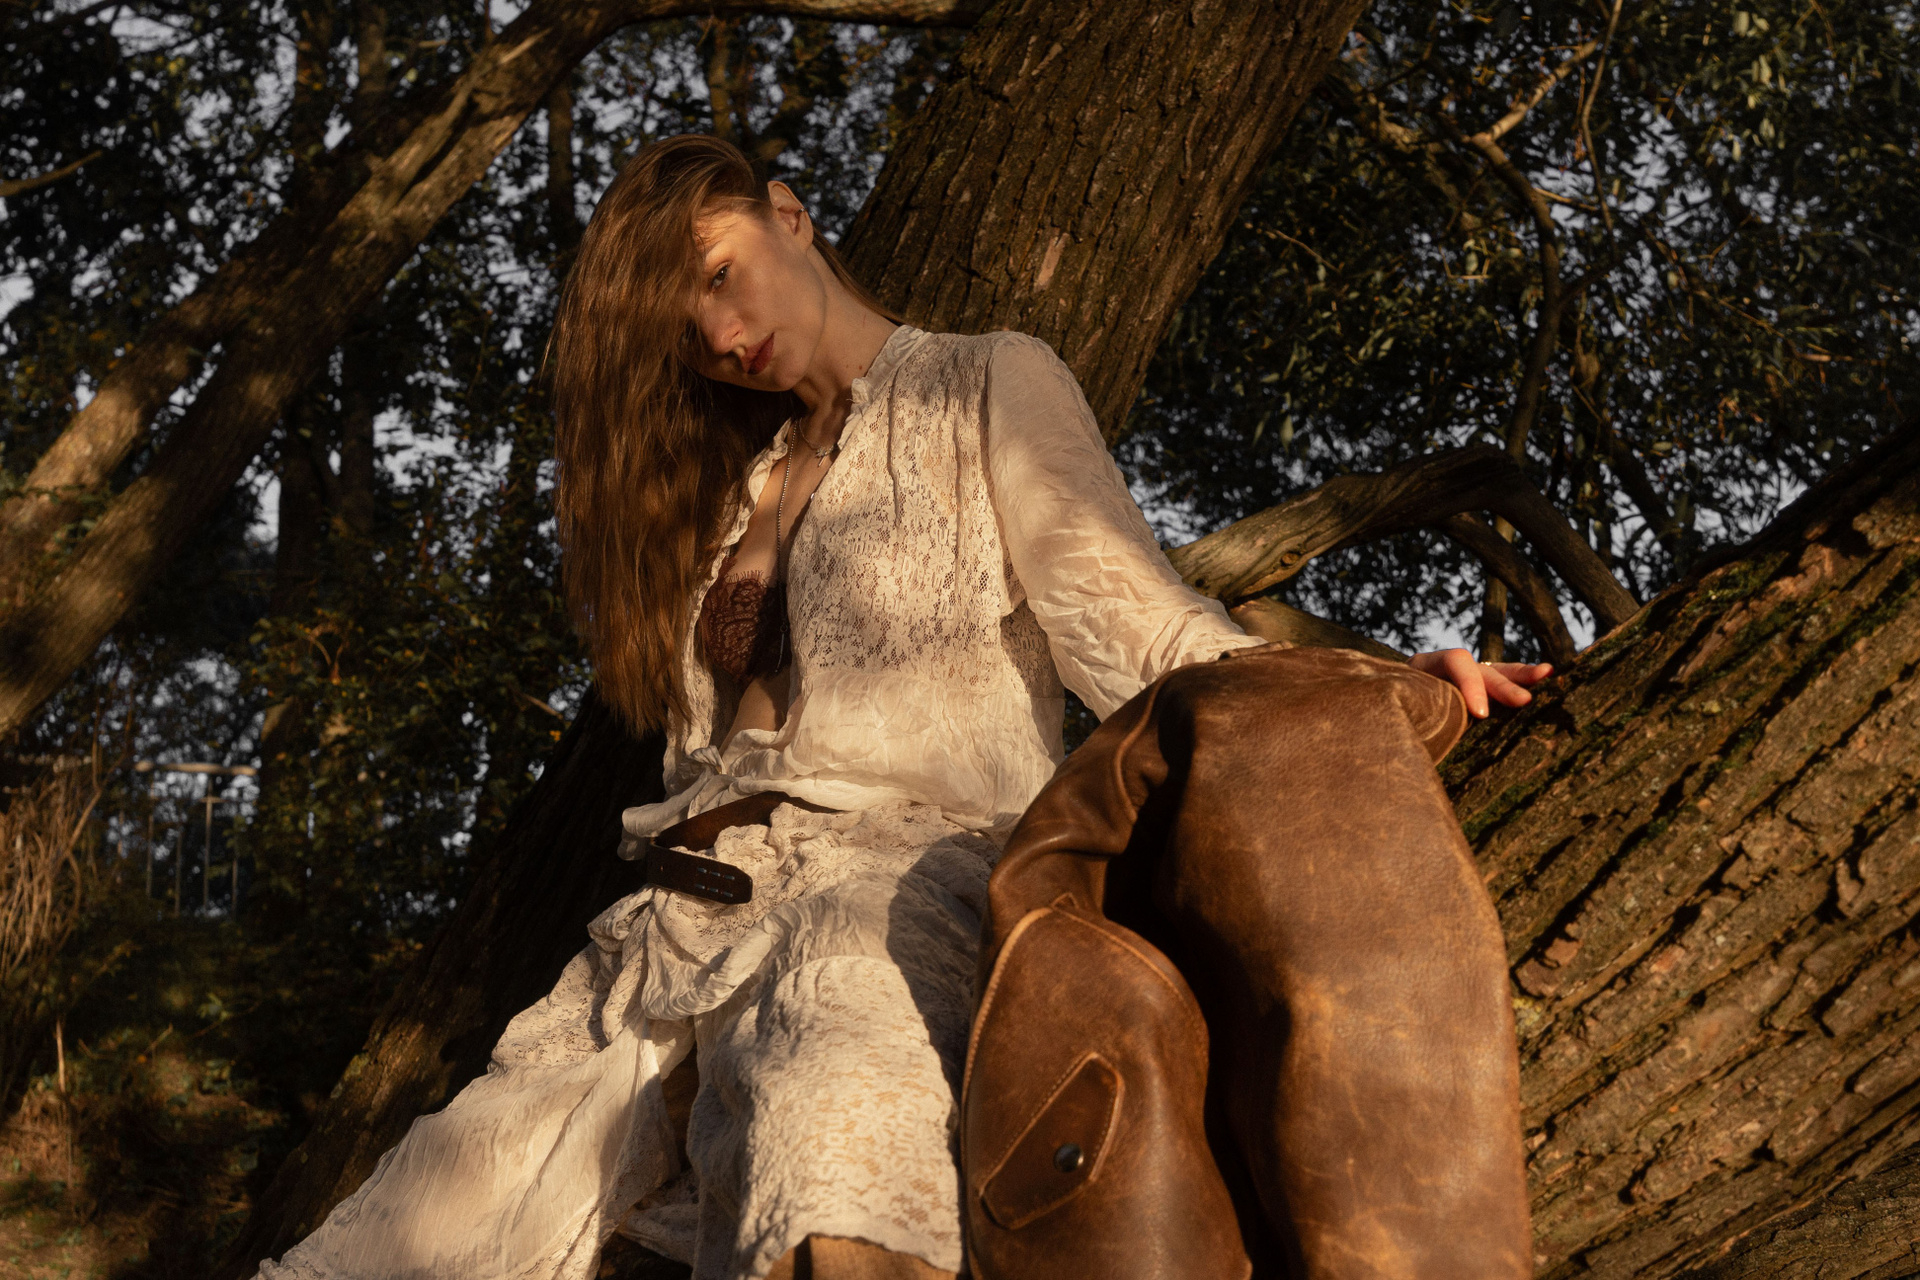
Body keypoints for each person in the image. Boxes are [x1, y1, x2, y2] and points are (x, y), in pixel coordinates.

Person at [256, 134, 1548, 1280]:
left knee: (832, 1183)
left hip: (890, 893)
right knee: (409, 1232)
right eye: (683, 329)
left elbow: (1138, 630)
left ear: (790, 213)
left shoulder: (986, 381)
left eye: (719, 274)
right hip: (662, 943)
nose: (719, 333)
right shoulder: (732, 492)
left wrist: (1375, 689)